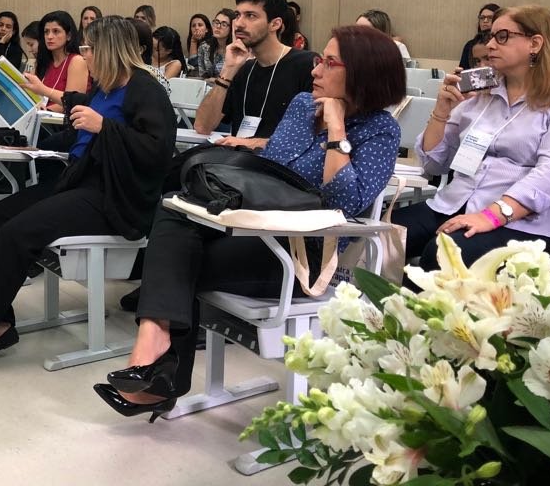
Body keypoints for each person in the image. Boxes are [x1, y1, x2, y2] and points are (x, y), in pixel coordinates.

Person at [95, 25, 404, 419]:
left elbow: (343, 202)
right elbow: (268, 173)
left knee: (177, 263)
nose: (315, 70)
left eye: (329, 63)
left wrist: (336, 129)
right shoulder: (301, 105)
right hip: (249, 228)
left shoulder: (381, 130)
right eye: (318, 60)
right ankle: (155, 355)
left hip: (300, 254)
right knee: (174, 211)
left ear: (363, 72)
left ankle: (158, 367)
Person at [0, 16, 177, 366]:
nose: (85, 55)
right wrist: (33, 148)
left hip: (111, 195)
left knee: (16, 233)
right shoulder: (104, 89)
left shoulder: (145, 89)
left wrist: (105, 127)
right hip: (78, 180)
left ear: (109, 50)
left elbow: (157, 152)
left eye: (90, 48)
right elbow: (77, 133)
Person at [398, 5, 550, 271]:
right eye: (491, 37)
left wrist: (490, 216)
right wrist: (441, 112)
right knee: (385, 235)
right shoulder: (482, 95)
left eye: (502, 36)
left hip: (522, 224)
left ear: (535, 43)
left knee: (443, 254)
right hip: (454, 203)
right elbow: (434, 165)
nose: (490, 45)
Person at [193, 0, 316, 150]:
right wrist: (228, 70)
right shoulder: (242, 69)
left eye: (250, 16)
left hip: (278, 163)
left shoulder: (306, 65)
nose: (239, 24)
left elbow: (312, 137)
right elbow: (202, 126)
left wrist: (252, 143)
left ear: (275, 24)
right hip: (238, 160)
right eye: (238, 15)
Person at [22, 10, 90, 112]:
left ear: (69, 36)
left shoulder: (77, 61)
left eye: (56, 31)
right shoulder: (43, 62)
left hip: (61, 119)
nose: (49, 37)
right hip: (41, 116)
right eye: (46, 32)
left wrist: (41, 111)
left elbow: (71, 103)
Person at [459, 3, 500, 70]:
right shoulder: (470, 45)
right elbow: (463, 69)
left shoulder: (501, 44)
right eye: (482, 18)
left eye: (490, 18)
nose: (485, 21)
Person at [197, 8, 236, 79]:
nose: (218, 27)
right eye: (216, 22)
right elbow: (202, 75)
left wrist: (216, 80)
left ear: (232, 28)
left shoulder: (236, 50)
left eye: (224, 24)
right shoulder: (204, 47)